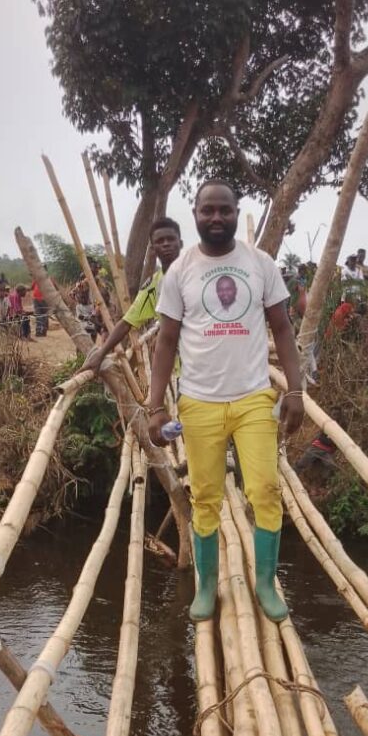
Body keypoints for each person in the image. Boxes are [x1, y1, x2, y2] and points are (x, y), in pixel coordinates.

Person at [149, 179, 304, 622]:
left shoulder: (260, 264)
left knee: (265, 490)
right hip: (199, 402)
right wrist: (155, 406)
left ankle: (265, 584)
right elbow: (166, 340)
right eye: (208, 210)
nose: (216, 217)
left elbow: (283, 329)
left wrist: (295, 390)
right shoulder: (180, 271)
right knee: (205, 497)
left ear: (236, 212)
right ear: (196, 214)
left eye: (224, 210)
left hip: (254, 398)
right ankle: (206, 587)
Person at [84, 218, 182, 373]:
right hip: (180, 371)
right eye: (160, 241)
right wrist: (101, 353)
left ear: (180, 243)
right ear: (153, 249)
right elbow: (127, 322)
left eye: (170, 239)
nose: (166, 244)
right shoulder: (153, 286)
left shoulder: (200, 276)